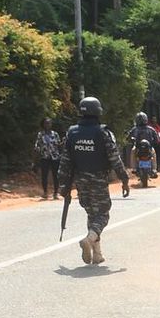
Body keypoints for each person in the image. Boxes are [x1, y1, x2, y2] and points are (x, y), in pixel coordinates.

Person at [57, 96, 129, 264]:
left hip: (80, 179)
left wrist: (63, 184)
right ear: (98, 112)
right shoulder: (103, 132)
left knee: (91, 213)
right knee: (102, 214)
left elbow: (65, 161)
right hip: (98, 178)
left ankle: (97, 254)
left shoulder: (72, 132)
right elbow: (115, 158)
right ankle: (89, 239)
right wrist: (124, 179)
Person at [33, 118, 62, 200]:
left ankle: (56, 193)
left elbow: (58, 145)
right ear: (43, 124)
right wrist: (35, 160)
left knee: (56, 175)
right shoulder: (40, 134)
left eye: (49, 123)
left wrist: (62, 145)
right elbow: (37, 146)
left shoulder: (55, 134)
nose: (48, 125)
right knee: (44, 175)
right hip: (44, 157)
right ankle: (45, 192)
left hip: (55, 157)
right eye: (46, 123)